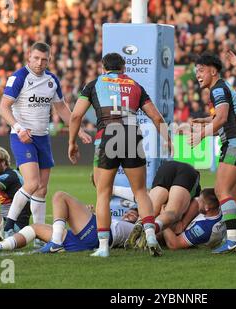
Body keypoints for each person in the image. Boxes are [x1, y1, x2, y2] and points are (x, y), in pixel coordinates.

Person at [68, 52, 172, 257]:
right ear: (124, 67)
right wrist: (168, 139)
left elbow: (76, 116)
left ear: (103, 67)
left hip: (107, 135)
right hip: (132, 135)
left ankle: (104, 247)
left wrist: (72, 142)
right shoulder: (135, 85)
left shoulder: (94, 84)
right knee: (141, 191)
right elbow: (156, 117)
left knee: (103, 193)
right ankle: (150, 235)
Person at [0, 42, 92, 246]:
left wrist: (79, 130)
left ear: (49, 60)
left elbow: (62, 109)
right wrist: (19, 128)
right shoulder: (19, 77)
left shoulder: (51, 80)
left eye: (44, 59)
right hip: (22, 136)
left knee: (41, 189)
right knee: (31, 183)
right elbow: (3, 107)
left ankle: (39, 236)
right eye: (36, 58)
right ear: (28, 57)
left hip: (42, 137)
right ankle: (8, 226)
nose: (40, 63)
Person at [189, 53, 236, 253]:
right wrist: (205, 121)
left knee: (222, 192)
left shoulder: (218, 89)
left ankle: (232, 240)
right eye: (196, 72)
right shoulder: (222, 87)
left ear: (213, 71)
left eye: (201, 70)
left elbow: (221, 119)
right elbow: (227, 115)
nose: (198, 75)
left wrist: (201, 135)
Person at [0, 191, 139, 254]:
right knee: (34, 228)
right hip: (83, 241)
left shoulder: (136, 229)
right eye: (131, 211)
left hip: (98, 235)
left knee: (59, 196)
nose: (132, 213)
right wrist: (90, 213)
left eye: (135, 213)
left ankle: (55, 242)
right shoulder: (118, 220)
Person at [124, 160, 201, 249]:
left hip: (168, 167)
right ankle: (148, 228)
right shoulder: (178, 226)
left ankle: (141, 223)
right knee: (171, 212)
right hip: (184, 171)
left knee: (153, 210)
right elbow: (180, 227)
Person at [158, 188, 226, 250]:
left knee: (159, 231)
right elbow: (195, 202)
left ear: (206, 208)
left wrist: (164, 220)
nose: (197, 200)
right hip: (197, 227)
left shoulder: (203, 228)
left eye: (200, 201)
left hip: (190, 237)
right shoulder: (218, 209)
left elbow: (174, 244)